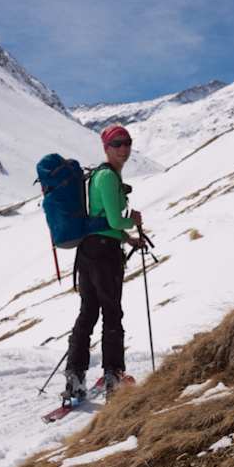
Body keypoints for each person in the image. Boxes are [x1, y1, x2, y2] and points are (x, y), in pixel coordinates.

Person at [62, 124, 143, 403]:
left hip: (89, 251)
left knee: (88, 312)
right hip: (105, 254)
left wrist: (127, 239)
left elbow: (102, 221)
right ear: (106, 147)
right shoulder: (108, 177)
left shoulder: (99, 175)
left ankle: (74, 377)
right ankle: (113, 376)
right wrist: (132, 221)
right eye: (117, 143)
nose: (124, 148)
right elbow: (114, 220)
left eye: (127, 142)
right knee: (111, 313)